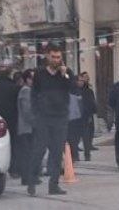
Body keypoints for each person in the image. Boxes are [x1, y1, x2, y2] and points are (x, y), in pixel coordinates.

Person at [27, 43, 73, 197]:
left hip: (60, 118)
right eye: (53, 57)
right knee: (39, 150)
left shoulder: (66, 73)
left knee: (57, 152)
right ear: (48, 56)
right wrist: (35, 114)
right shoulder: (39, 73)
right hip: (43, 118)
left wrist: (65, 75)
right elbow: (33, 94)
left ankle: (54, 185)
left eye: (58, 57)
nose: (56, 60)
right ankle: (32, 181)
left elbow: (73, 89)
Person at [16, 69, 35, 185]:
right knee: (28, 153)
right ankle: (27, 177)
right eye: (32, 78)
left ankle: (29, 176)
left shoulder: (29, 90)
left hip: (28, 127)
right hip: (27, 128)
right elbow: (27, 110)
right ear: (27, 79)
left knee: (29, 152)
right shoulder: (26, 91)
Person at [80, 72, 98, 161]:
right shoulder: (80, 90)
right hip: (82, 115)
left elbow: (92, 101)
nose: (87, 78)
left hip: (88, 114)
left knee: (90, 132)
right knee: (85, 134)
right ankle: (85, 153)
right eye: (85, 77)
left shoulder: (89, 89)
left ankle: (88, 151)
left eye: (88, 77)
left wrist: (94, 110)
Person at [66, 75, 85, 162]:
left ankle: (73, 155)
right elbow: (80, 106)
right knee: (73, 138)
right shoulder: (76, 92)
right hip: (75, 118)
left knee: (72, 138)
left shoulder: (74, 91)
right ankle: (74, 155)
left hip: (72, 118)